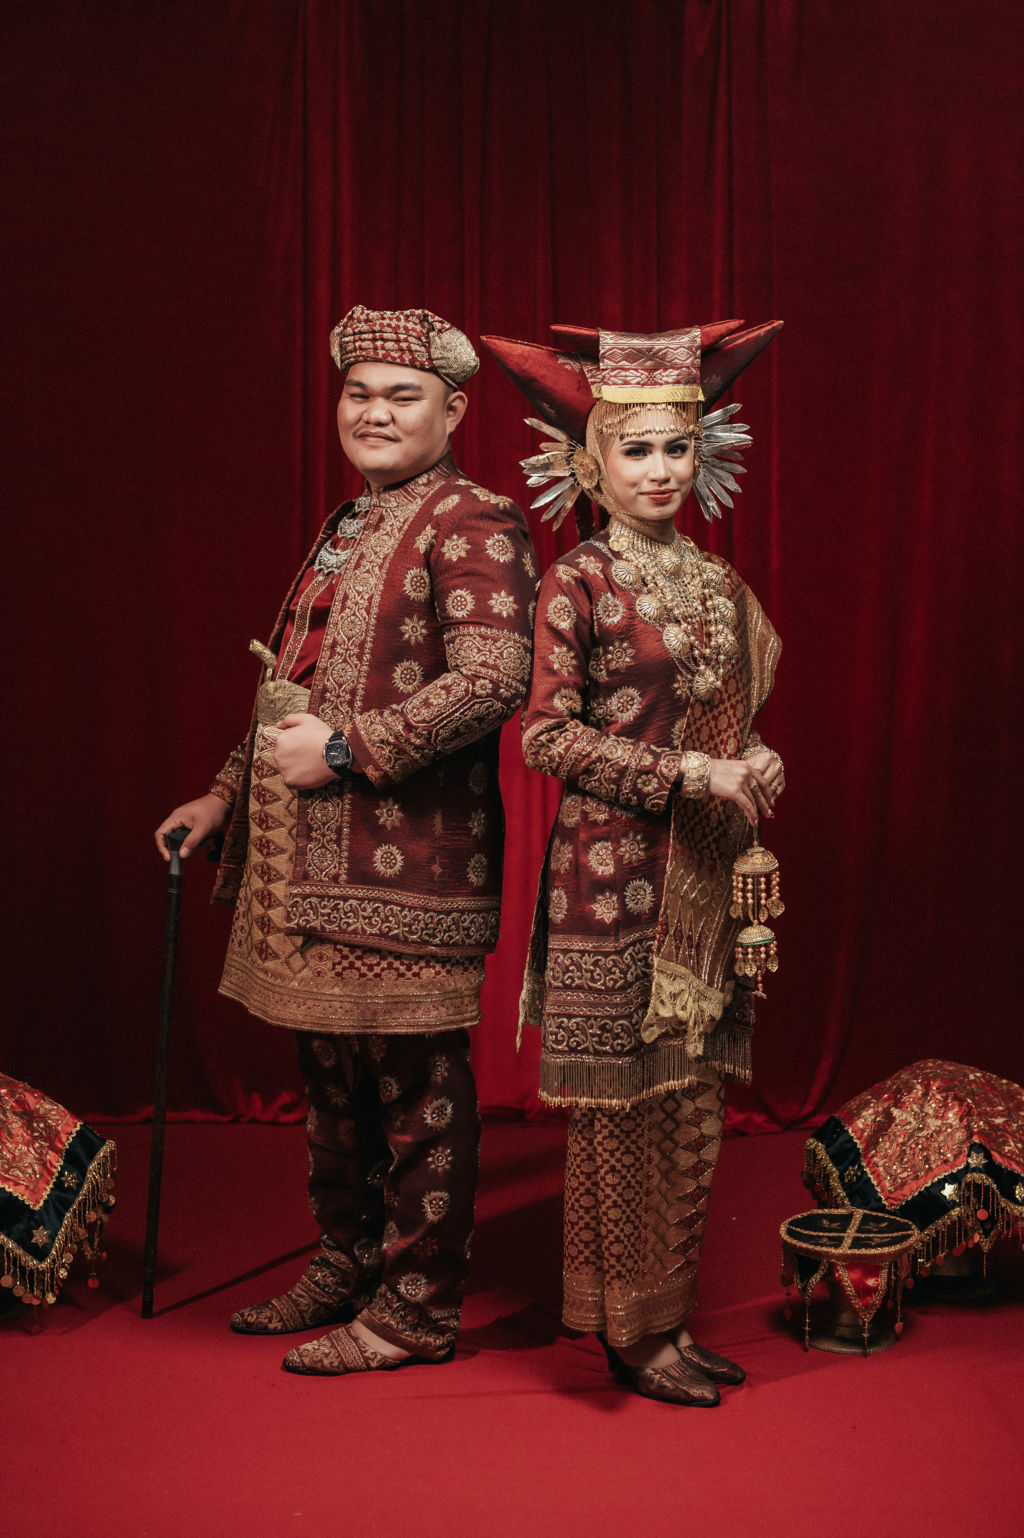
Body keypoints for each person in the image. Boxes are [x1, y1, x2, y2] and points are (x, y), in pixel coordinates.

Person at [156, 306, 536, 1376]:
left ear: (451, 411)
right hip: (303, 861)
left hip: (409, 861)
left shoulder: (473, 519)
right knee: (330, 1081)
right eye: (358, 393)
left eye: (401, 396)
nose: (374, 412)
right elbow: (296, 684)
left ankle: (415, 1309)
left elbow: (496, 678)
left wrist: (348, 748)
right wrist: (223, 795)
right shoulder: (351, 520)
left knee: (416, 1089)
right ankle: (345, 1262)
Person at [482, 318, 784, 1404]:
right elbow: (544, 738)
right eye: (636, 449)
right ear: (589, 461)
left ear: (704, 452)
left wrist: (755, 758)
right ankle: (627, 1333)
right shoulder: (578, 581)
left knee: (693, 1105)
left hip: (705, 877)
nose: (660, 469)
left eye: (677, 447)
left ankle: (669, 1317)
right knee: (622, 1116)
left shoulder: (716, 580)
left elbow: (732, 716)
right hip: (612, 881)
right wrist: (692, 773)